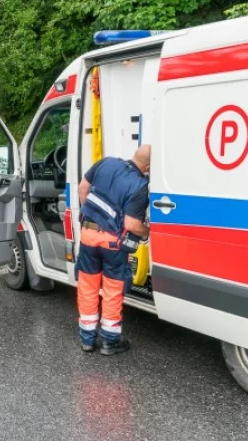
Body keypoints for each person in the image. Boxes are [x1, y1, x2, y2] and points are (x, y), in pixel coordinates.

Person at [76, 145, 150, 355]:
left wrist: (88, 216)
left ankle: (87, 340)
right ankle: (109, 342)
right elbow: (132, 224)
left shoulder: (106, 162)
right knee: (111, 291)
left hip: (88, 235)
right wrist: (147, 232)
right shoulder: (140, 185)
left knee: (88, 288)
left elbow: (83, 187)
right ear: (148, 167)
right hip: (113, 243)